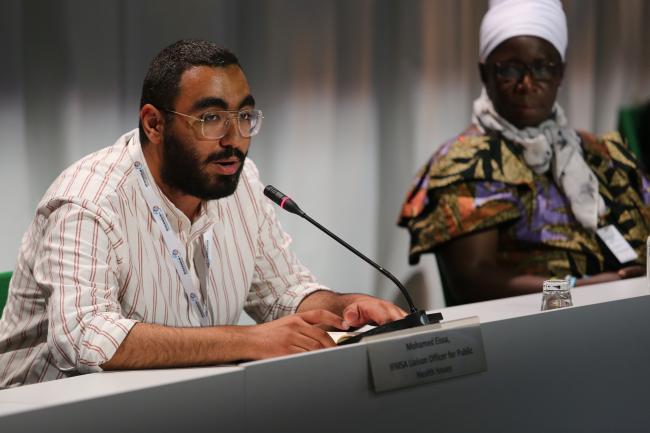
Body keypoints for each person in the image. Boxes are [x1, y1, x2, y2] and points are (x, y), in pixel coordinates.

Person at [0, 39, 406, 388]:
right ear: (154, 124)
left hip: (183, 404)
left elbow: (281, 295)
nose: (234, 140)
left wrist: (344, 306)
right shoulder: (88, 201)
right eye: (211, 119)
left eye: (244, 117)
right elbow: (86, 338)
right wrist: (250, 341)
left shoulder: (241, 185)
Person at [398, 0, 650, 305]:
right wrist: (577, 291)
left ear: (561, 74)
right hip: (527, 336)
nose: (527, 84)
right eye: (510, 69)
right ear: (485, 73)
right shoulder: (468, 161)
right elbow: (472, 281)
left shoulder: (601, 154)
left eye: (543, 67)